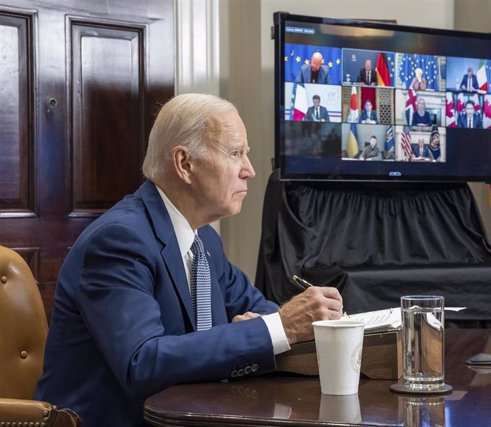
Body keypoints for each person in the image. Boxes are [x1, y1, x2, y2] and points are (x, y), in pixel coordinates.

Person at [34, 94, 343, 427]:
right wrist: (277, 327)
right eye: (235, 153)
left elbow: (256, 306)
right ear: (184, 164)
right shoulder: (118, 240)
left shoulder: (204, 239)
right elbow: (142, 363)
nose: (250, 171)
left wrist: (278, 325)